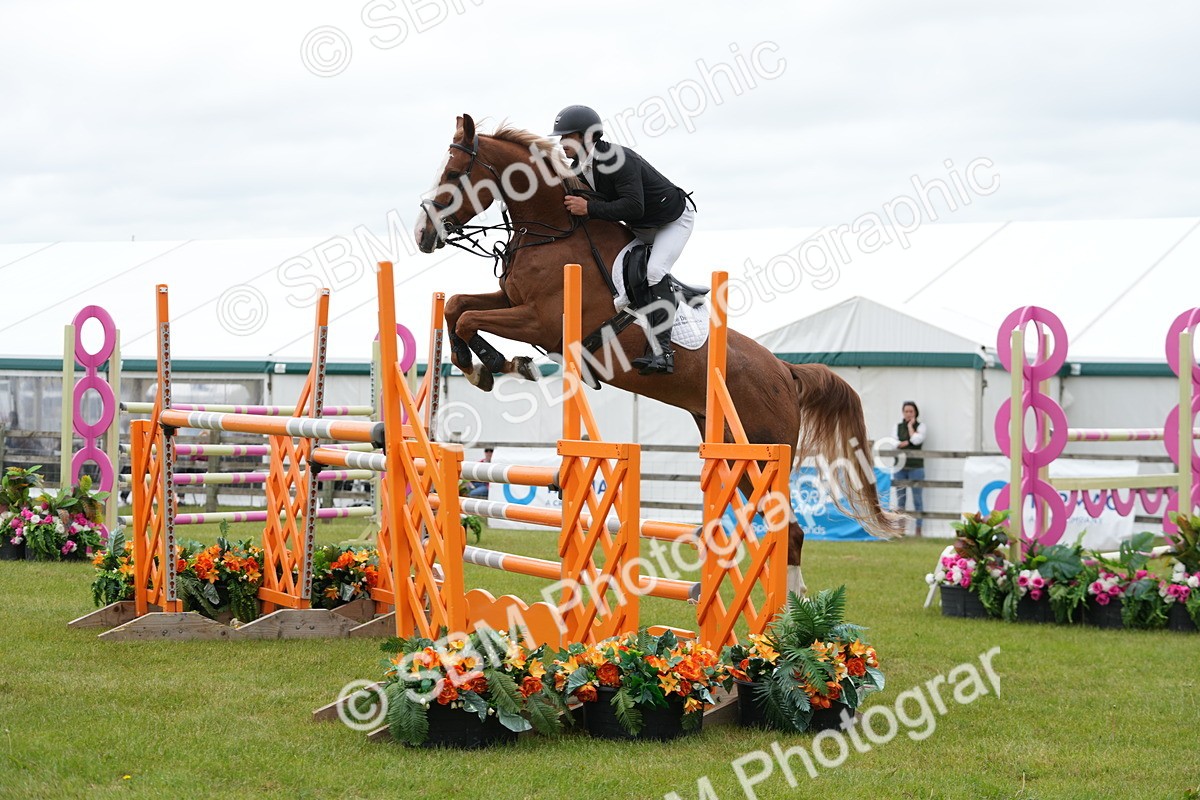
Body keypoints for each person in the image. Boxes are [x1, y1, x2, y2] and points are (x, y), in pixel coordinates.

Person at [550, 104, 696, 375]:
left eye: (566, 136)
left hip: (672, 221)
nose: (561, 143)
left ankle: (664, 353)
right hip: (641, 225)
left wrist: (589, 208)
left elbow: (633, 206)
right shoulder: (578, 167)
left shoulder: (619, 159)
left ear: (586, 136)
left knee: (653, 271)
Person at [894, 401, 926, 536]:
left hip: (915, 467)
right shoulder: (896, 426)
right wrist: (907, 442)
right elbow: (893, 443)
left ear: (915, 413)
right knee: (900, 499)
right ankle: (901, 529)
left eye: (911, 411)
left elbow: (917, 440)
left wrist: (910, 427)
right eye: (906, 411)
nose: (908, 414)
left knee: (917, 498)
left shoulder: (921, 426)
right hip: (900, 467)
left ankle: (919, 530)